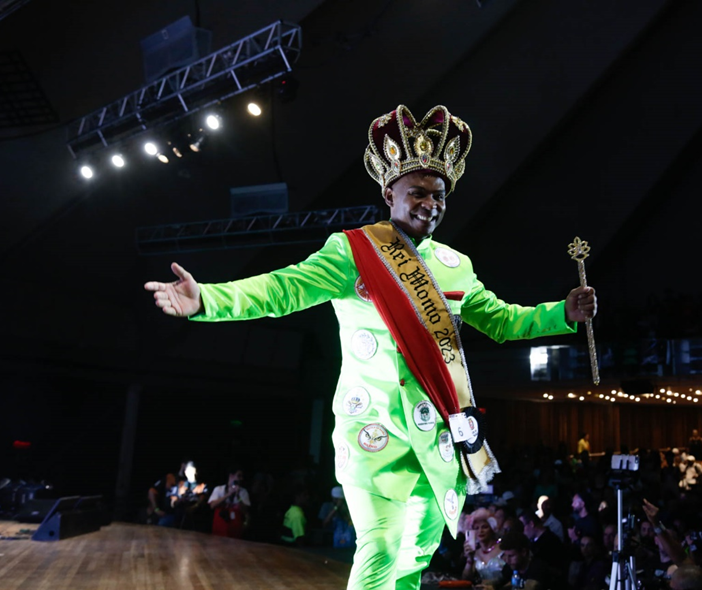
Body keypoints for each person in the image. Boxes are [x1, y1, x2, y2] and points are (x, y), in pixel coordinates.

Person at [144, 104, 597, 590]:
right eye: (417, 192)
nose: (430, 202)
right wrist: (208, 299)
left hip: (437, 433)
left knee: (415, 557)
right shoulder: (354, 250)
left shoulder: (455, 265)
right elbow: (283, 290)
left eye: (438, 194)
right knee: (380, 547)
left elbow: (503, 321)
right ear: (389, 194)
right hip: (372, 430)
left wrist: (561, 314)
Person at [208, 466, 250, 538]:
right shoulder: (219, 489)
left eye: (242, 476)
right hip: (219, 530)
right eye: (239, 476)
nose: (241, 479)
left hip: (235, 531)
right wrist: (228, 495)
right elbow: (212, 505)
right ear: (231, 476)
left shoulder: (243, 492)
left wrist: (238, 497)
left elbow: (245, 510)